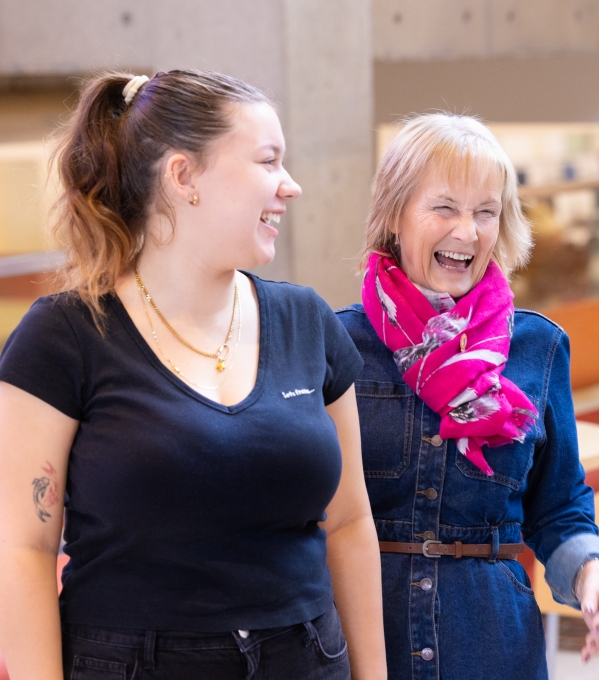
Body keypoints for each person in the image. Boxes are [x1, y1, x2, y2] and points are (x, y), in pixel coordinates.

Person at [0, 70, 386, 679]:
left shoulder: (306, 320)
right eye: (268, 161)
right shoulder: (65, 336)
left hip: (307, 657)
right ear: (184, 177)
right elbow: (22, 550)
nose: (291, 186)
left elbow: (350, 522)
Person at [336, 113, 599, 679]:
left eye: (486, 212)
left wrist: (592, 574)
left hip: (492, 642)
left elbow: (560, 509)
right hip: (364, 639)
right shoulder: (337, 342)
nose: (467, 232)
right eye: (444, 208)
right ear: (395, 213)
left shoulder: (538, 347)